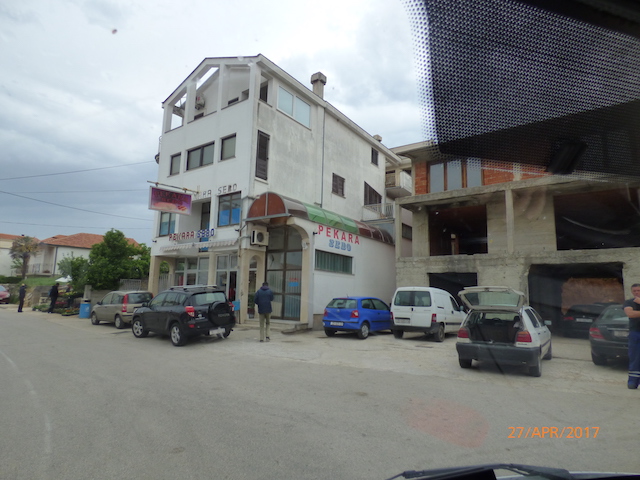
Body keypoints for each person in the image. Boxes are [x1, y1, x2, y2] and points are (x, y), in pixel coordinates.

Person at [623, 283, 640, 389]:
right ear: (632, 292)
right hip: (635, 333)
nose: (637, 292)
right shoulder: (629, 302)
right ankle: (633, 382)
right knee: (635, 358)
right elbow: (630, 314)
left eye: (639, 290)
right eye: (635, 291)